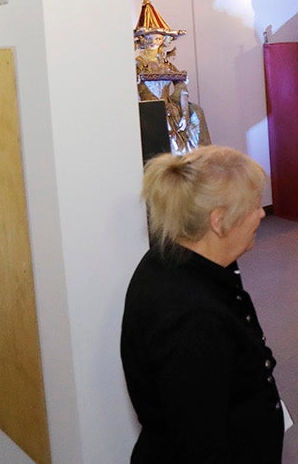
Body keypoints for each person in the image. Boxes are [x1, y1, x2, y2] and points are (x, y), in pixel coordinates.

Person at [121, 146, 282, 462]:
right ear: (219, 221)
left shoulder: (174, 260)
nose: (262, 213)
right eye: (253, 206)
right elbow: (199, 445)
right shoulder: (193, 320)